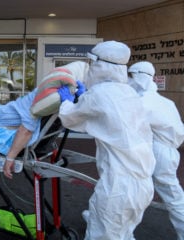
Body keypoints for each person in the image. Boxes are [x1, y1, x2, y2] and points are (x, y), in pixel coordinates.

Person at [58, 41, 157, 239]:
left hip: (118, 188)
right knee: (125, 233)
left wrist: (67, 102)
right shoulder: (129, 93)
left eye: (92, 63)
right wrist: (85, 97)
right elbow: (108, 114)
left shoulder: (99, 94)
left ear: (101, 66)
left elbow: (70, 118)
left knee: (102, 235)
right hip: (144, 186)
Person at [128, 61, 184, 240]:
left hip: (156, 152)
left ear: (139, 77)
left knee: (134, 190)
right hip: (169, 152)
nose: (128, 80)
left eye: (131, 76)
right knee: (169, 195)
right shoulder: (166, 102)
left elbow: (124, 124)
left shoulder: (143, 102)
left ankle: (117, 231)